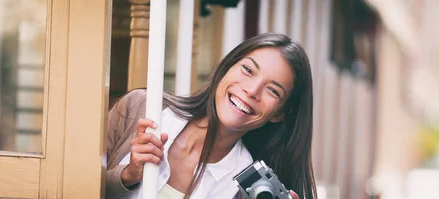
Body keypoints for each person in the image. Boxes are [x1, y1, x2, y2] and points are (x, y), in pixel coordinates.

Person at [105, 33, 317, 199]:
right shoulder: (139, 108)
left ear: (279, 114)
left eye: (273, 91)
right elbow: (75, 182)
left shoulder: (246, 190)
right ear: (226, 67)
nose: (252, 90)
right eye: (247, 69)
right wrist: (127, 176)